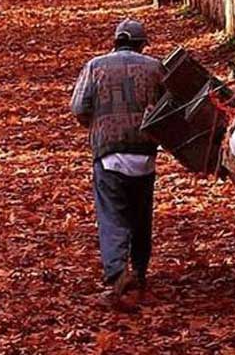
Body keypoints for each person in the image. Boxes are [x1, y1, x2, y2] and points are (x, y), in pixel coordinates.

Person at [70, 19, 164, 306]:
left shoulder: (95, 67)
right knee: (140, 215)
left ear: (115, 41)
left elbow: (79, 107)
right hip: (144, 155)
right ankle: (140, 270)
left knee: (112, 216)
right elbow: (166, 108)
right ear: (141, 44)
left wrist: (97, 123)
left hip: (109, 154)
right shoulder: (154, 67)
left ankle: (117, 271)